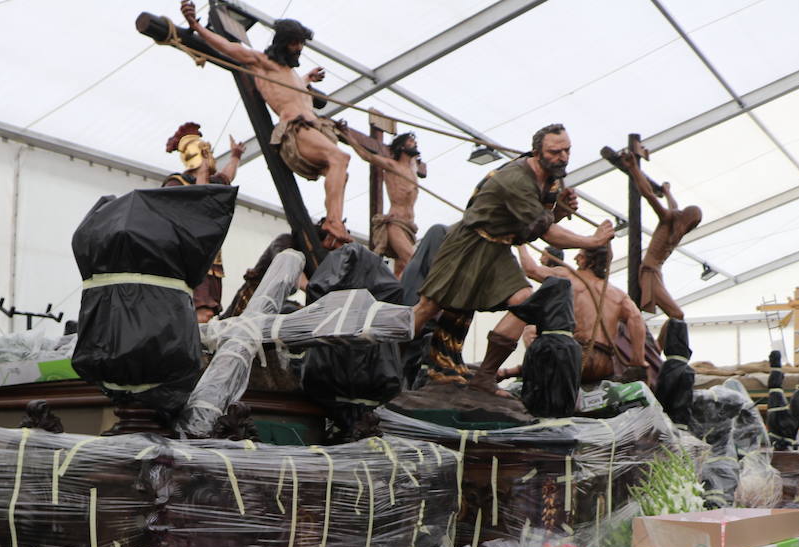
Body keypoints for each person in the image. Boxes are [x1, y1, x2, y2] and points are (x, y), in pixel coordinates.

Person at [410, 123, 613, 394]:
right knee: (428, 308)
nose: (563, 157)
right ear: (537, 151)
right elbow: (546, 232)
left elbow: (533, 227)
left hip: (497, 249)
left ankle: (485, 376)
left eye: (566, 150)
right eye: (555, 152)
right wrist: (594, 241)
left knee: (525, 303)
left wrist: (561, 210)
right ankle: (386, 360)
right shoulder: (516, 179)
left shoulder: (551, 180)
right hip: (467, 244)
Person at [179, 1, 353, 248]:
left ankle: (334, 223)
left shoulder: (291, 74)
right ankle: (333, 222)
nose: (300, 48)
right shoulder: (262, 63)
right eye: (296, 43)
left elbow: (292, 91)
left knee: (340, 169)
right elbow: (228, 47)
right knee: (339, 159)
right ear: (283, 42)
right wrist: (196, 26)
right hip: (294, 132)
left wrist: (308, 79)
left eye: (302, 43)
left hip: (313, 130)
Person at [518, 244, 646, 383]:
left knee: (530, 330)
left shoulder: (567, 276)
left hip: (574, 360)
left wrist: (520, 244)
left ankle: (533, 371)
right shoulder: (619, 295)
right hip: (604, 365)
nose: (575, 258)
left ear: (586, 261)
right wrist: (637, 361)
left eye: (579, 255)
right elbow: (636, 318)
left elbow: (530, 269)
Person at [163, 122, 246, 322]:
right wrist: (201, 172)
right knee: (200, 310)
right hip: (191, 259)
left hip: (212, 260)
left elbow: (226, 177)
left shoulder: (212, 182)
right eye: (205, 153)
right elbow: (198, 206)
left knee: (210, 311)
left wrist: (235, 156)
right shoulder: (176, 184)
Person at [614, 147, 700, 319]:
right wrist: (633, 168)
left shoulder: (675, 225)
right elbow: (649, 194)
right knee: (677, 314)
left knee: (677, 314)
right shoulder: (670, 221)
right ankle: (657, 345)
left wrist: (667, 192)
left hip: (654, 273)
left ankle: (655, 345)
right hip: (650, 273)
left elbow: (668, 203)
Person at [348, 131, 424, 277]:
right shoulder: (392, 166)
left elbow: (415, 158)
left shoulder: (413, 169)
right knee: (411, 260)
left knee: (401, 270)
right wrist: (348, 136)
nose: (414, 143)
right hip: (395, 223)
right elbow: (367, 156)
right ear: (401, 147)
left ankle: (399, 298)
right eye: (410, 141)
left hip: (410, 227)